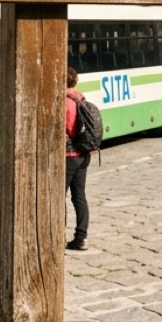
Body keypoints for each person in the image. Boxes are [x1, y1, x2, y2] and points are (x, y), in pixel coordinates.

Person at [64, 68, 91, 251]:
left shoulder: (63, 102)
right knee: (79, 196)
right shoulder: (81, 98)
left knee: (58, 198)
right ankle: (81, 237)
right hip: (83, 154)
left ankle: (56, 235)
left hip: (67, 155)